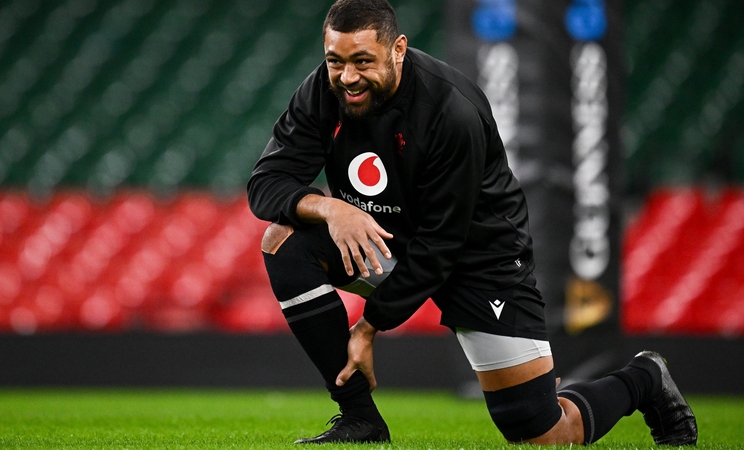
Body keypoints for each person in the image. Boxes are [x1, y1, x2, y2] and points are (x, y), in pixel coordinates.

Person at [247, 0, 698, 445]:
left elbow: (442, 245)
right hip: (390, 242)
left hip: (477, 259)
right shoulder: (322, 93)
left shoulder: (451, 111)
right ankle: (359, 419)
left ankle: (644, 378)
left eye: (362, 61)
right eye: (335, 61)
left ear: (397, 49)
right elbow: (266, 183)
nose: (347, 77)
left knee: (544, 434)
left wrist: (368, 327)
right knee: (283, 241)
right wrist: (331, 208)